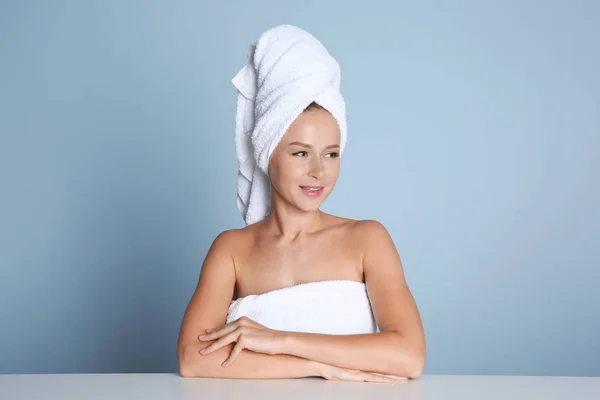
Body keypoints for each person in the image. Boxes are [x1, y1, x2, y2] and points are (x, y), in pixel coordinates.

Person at [177, 25, 426, 382]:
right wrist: (317, 368)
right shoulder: (231, 250)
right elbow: (193, 360)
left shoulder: (367, 240)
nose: (318, 171)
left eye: (331, 154)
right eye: (300, 153)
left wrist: (281, 340)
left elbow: (409, 356)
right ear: (267, 154)